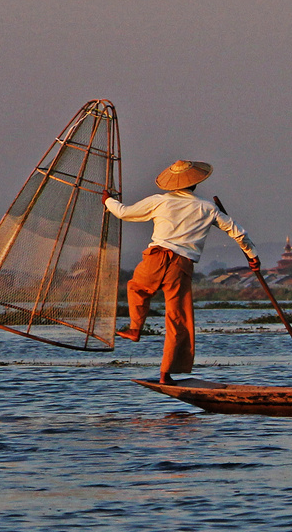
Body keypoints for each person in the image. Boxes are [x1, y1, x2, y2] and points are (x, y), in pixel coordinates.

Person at [102, 160, 257, 383]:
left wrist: (108, 200)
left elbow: (124, 212)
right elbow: (238, 233)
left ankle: (136, 328)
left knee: (137, 288)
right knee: (178, 319)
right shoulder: (208, 208)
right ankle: (166, 373)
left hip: (155, 258)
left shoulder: (159, 201)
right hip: (181, 266)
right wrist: (253, 257)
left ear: (172, 185)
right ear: (195, 185)